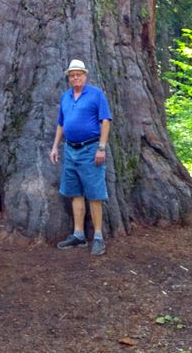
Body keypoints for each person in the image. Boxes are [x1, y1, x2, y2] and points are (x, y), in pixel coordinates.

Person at [50, 59, 112, 256]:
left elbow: (105, 121)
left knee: (94, 194)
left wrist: (101, 147)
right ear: (69, 78)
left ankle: (99, 237)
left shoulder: (95, 94)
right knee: (75, 192)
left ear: (85, 75)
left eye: (79, 74)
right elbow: (61, 124)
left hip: (90, 148)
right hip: (70, 150)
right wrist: (55, 147)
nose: (75, 77)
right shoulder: (66, 97)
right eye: (72, 75)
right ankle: (78, 234)